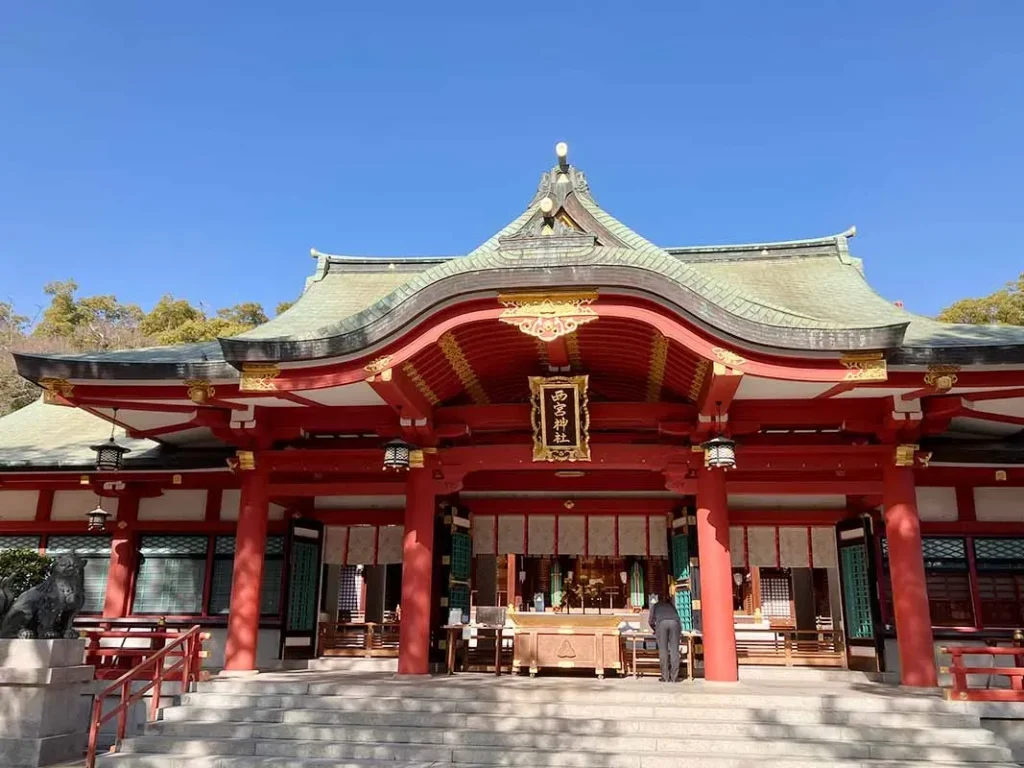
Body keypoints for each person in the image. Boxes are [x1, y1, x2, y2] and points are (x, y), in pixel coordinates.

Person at [648, 590, 682, 683]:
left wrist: (655, 629)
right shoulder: (671, 606)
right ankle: (674, 677)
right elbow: (678, 618)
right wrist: (680, 631)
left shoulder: (655, 606)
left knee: (663, 650)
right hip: (675, 623)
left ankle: (665, 677)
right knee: (674, 650)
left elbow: (650, 621)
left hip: (662, 623)